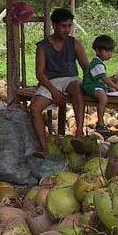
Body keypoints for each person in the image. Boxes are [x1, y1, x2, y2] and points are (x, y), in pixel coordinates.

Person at [30, 8, 89, 154]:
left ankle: (79, 132)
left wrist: (104, 80)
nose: (67, 29)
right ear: (54, 25)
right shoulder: (43, 47)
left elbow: (86, 67)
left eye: (69, 26)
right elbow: (40, 74)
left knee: (76, 88)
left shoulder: (75, 44)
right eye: (63, 26)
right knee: (34, 108)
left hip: (71, 79)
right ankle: (44, 148)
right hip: (51, 81)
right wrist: (53, 91)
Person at [82, 35, 118, 136]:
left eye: (111, 51)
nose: (109, 54)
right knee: (103, 98)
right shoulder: (97, 63)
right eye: (107, 51)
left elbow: (102, 78)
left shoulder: (99, 63)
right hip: (90, 85)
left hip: (96, 84)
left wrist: (112, 80)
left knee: (110, 89)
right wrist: (117, 87)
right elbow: (104, 79)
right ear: (98, 51)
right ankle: (100, 123)